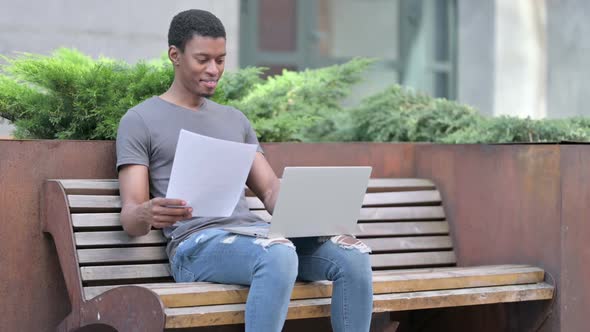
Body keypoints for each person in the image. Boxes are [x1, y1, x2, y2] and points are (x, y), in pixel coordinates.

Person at [116, 9, 373, 332]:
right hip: (195, 246)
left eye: (221, 60)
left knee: (353, 257)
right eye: (203, 59)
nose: (213, 70)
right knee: (277, 254)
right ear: (174, 55)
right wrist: (149, 212)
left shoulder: (234, 120)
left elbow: (269, 190)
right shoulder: (140, 120)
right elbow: (130, 215)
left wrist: (314, 215)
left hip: (253, 238)